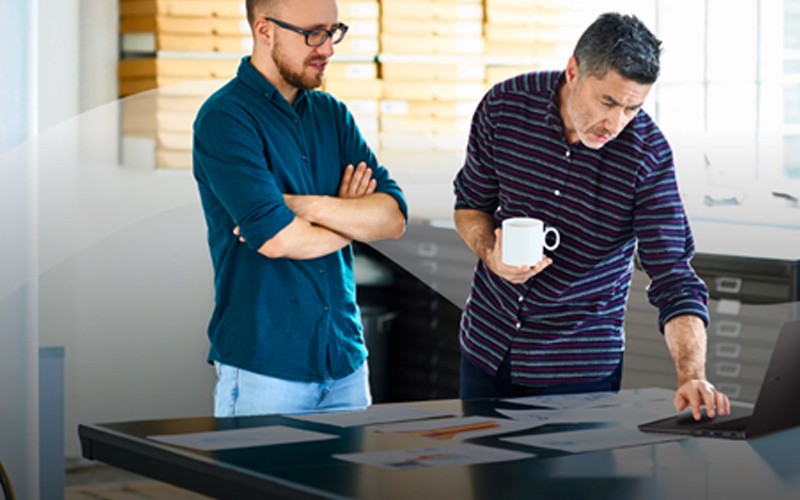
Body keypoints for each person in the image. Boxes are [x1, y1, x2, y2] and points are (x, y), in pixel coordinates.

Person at [453, 12, 730, 421]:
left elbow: (674, 275)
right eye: (608, 102)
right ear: (573, 72)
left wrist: (691, 374)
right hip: (485, 351)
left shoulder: (646, 155)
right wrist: (490, 251)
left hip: (577, 376)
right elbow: (470, 206)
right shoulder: (504, 106)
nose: (616, 123)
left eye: (632, 109)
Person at [192, 0, 407, 417]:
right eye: (312, 33)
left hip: (345, 361)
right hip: (266, 369)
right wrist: (351, 218)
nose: (326, 48)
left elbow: (393, 219)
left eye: (332, 31)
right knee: (261, 485)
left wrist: (304, 206)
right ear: (264, 29)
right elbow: (278, 239)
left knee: (345, 486)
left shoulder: (333, 116)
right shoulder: (225, 119)